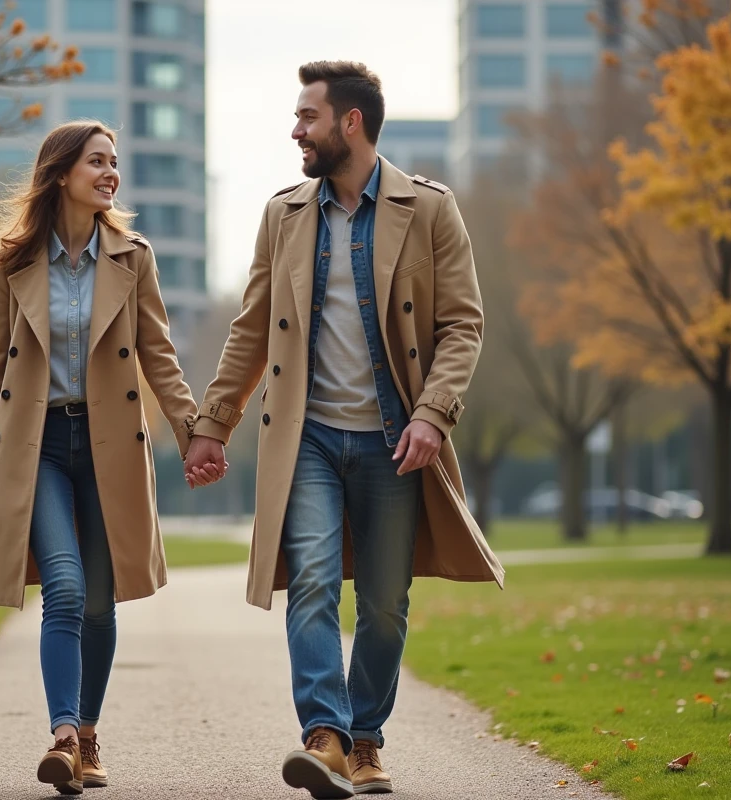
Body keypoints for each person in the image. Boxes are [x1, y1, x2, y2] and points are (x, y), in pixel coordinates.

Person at [184, 62, 504, 798]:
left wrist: (432, 414)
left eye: (307, 117)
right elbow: (252, 329)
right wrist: (213, 423)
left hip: (394, 440)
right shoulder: (285, 213)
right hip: (309, 440)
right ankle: (323, 734)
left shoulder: (428, 209)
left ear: (349, 123)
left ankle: (366, 741)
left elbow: (463, 325)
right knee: (315, 583)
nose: (296, 130)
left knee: (386, 605)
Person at [0, 120, 219, 795]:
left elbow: (159, 355)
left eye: (114, 163)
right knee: (66, 590)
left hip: (109, 446)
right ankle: (63, 734)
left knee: (100, 604)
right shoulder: (15, 260)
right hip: (36, 446)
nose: (111, 173)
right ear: (62, 173)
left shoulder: (133, 257)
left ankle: (90, 737)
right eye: (97, 162)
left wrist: (194, 431)